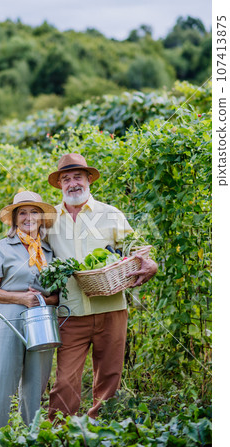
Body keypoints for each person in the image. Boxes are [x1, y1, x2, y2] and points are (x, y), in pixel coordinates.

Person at [46, 153, 157, 421]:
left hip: (111, 309)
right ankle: (60, 433)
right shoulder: (48, 220)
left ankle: (100, 431)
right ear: (60, 184)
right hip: (70, 313)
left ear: (88, 180)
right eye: (66, 178)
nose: (72, 183)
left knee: (109, 378)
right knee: (64, 382)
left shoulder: (110, 214)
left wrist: (151, 264)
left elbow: (133, 248)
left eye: (78, 177)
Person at [0, 191, 58, 428]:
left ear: (41, 217)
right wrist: (22, 298)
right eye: (22, 212)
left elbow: (56, 295)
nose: (28, 217)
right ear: (15, 219)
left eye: (34, 211)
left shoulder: (49, 253)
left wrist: (45, 300)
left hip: (42, 322)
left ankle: (31, 436)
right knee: (2, 382)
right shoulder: (3, 248)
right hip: (8, 320)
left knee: (36, 385)